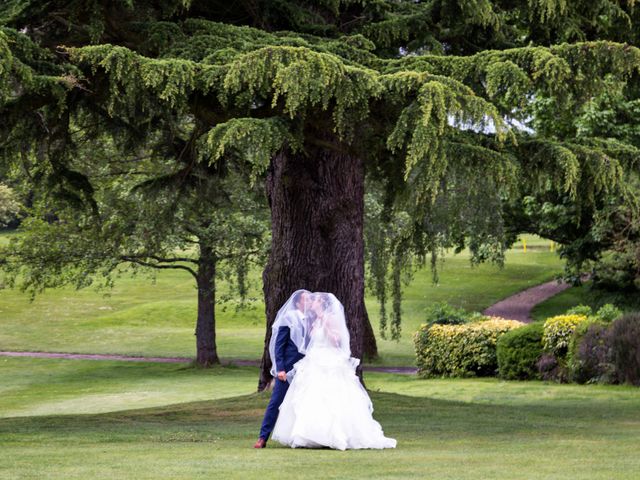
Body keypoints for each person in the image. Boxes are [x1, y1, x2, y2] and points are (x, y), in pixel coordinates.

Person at [271, 292, 397, 450]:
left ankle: (335, 435)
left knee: (331, 397)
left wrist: (327, 327)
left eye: (315, 300)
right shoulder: (315, 319)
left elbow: (337, 341)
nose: (311, 302)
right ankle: (310, 435)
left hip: (329, 361)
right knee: (312, 397)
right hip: (314, 360)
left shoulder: (329, 318)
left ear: (321, 303)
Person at [254, 289, 312, 448]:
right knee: (276, 402)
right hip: (286, 370)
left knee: (304, 403)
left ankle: (302, 438)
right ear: (298, 302)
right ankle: (262, 437)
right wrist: (280, 369)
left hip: (306, 369)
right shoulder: (289, 318)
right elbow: (278, 347)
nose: (309, 302)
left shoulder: (311, 320)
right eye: (306, 300)